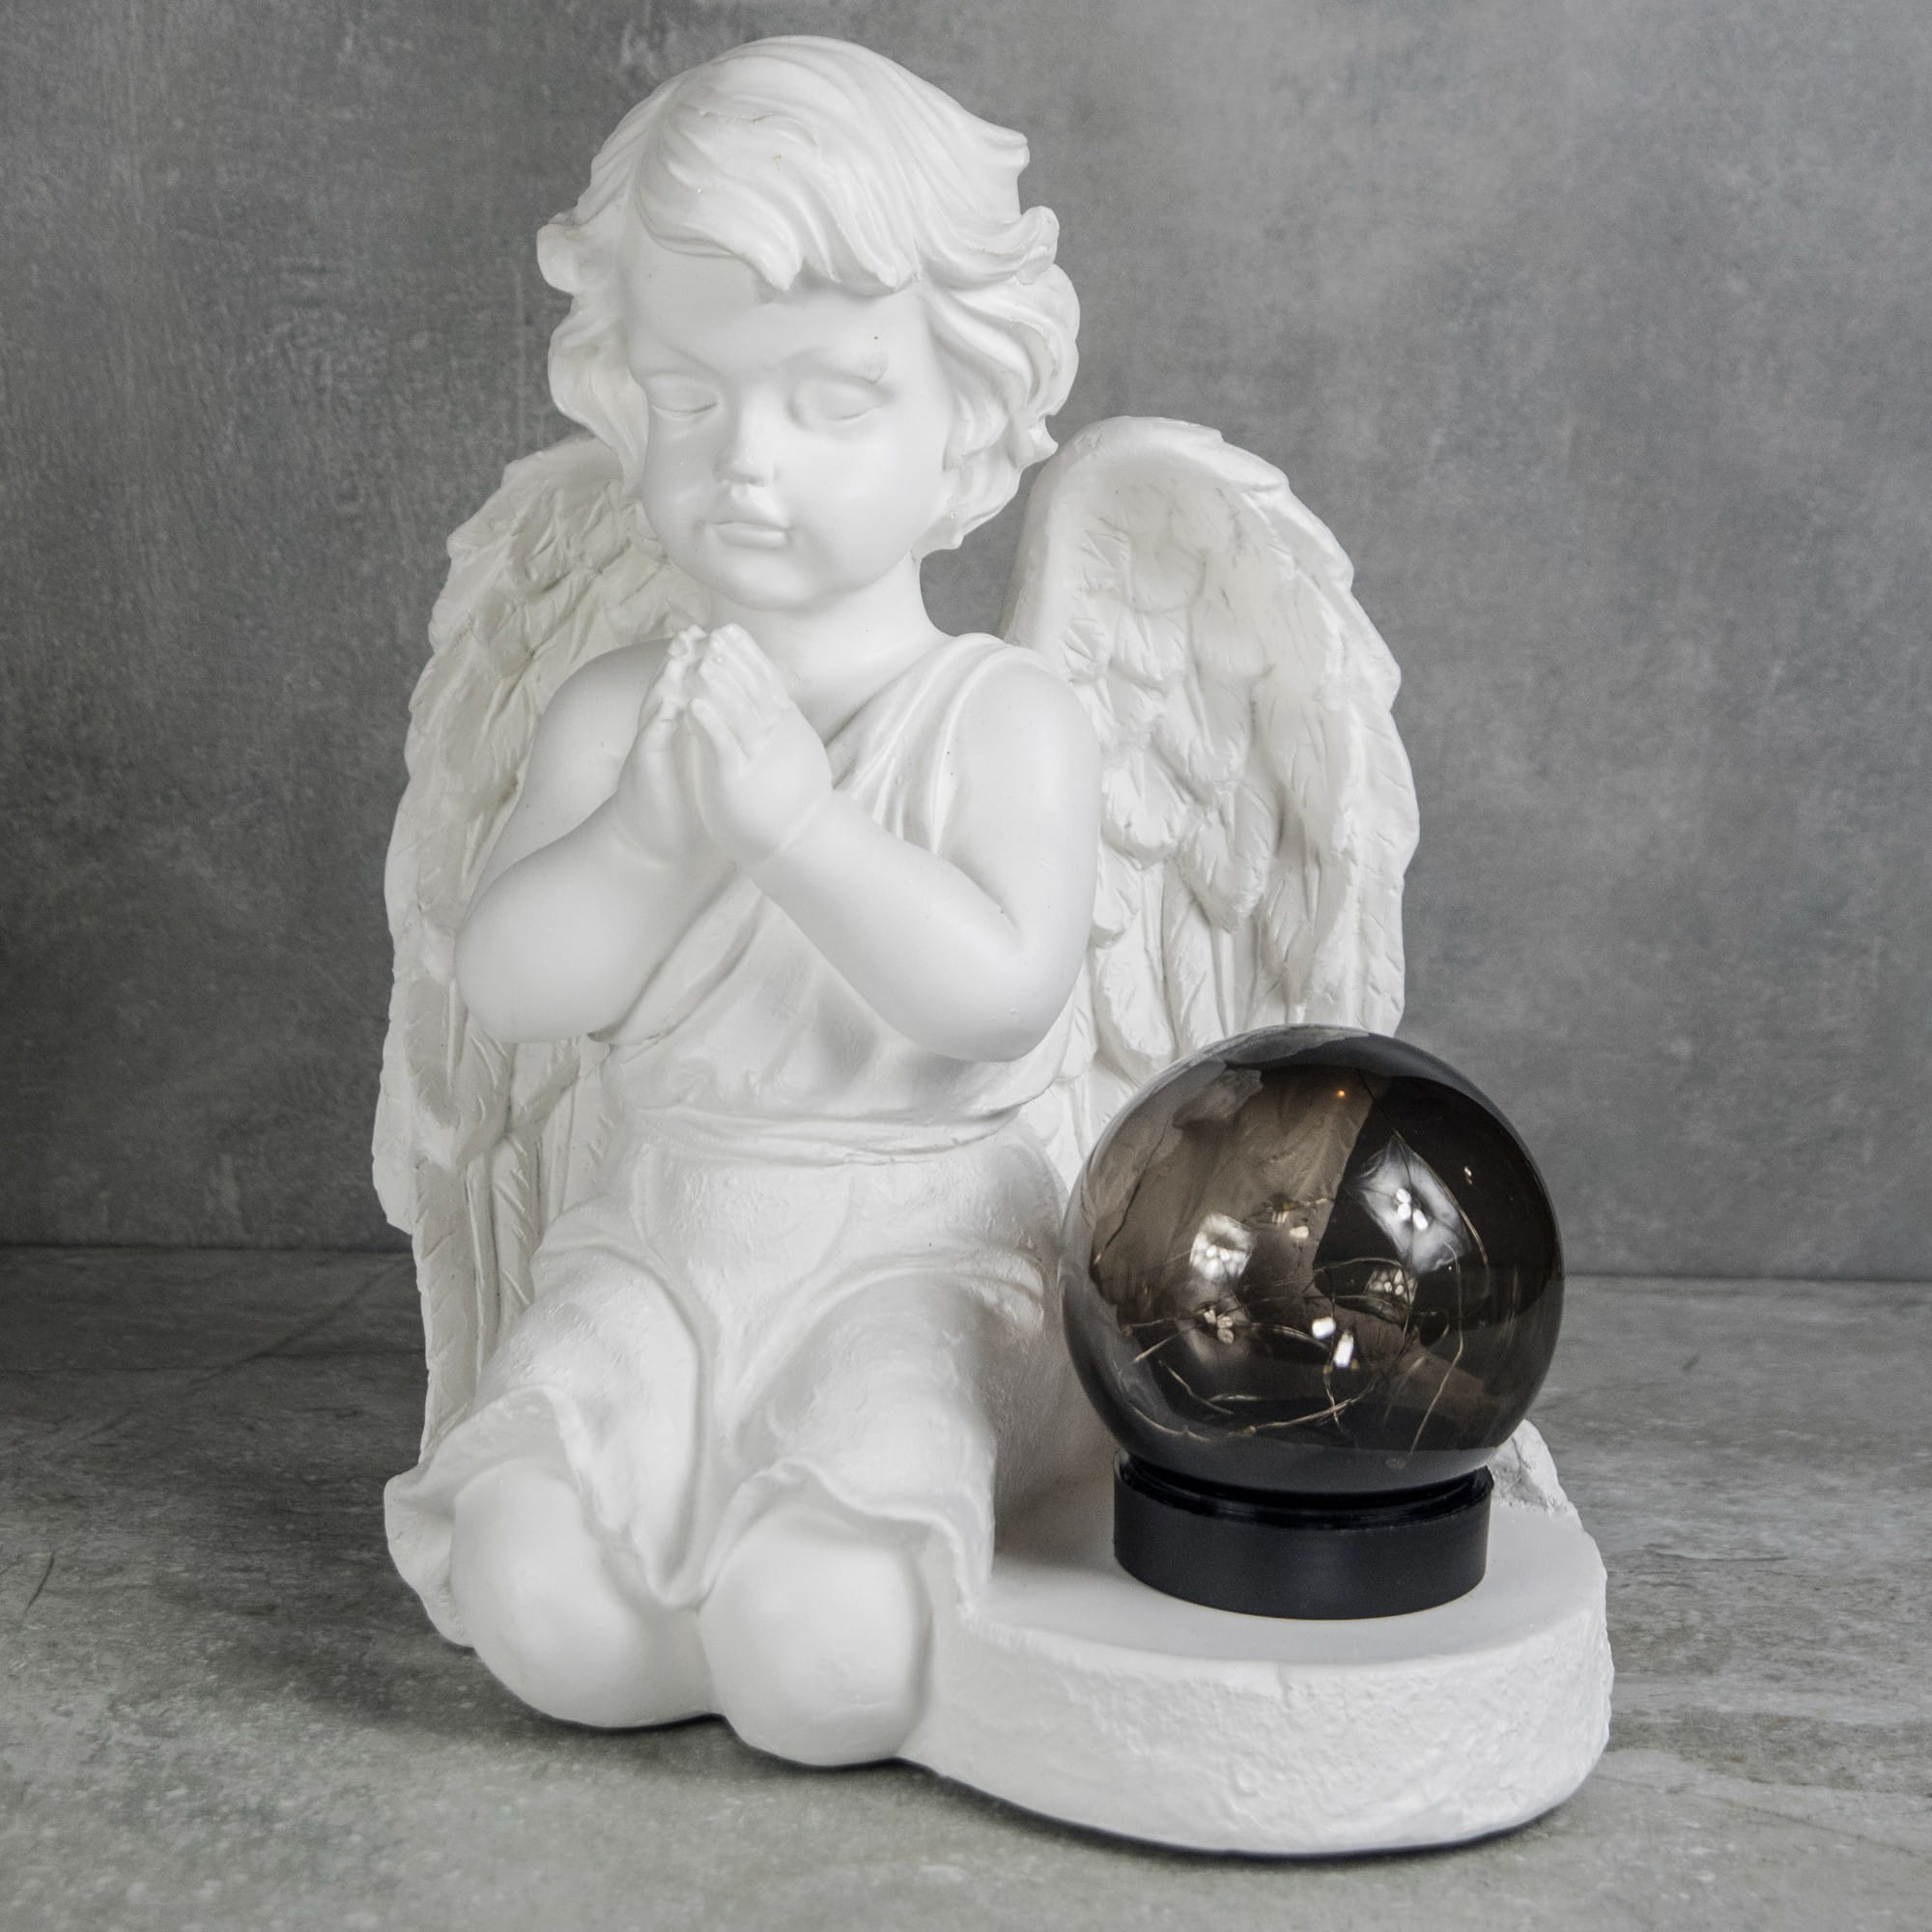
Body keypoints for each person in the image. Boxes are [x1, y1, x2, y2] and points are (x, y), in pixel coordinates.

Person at [384, 37, 1100, 1765]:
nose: (745, 460)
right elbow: (512, 985)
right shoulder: (619, 713)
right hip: (662, 1236)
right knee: (539, 1603)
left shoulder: (1002, 716)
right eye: (691, 402)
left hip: (920, 1262)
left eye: (830, 400)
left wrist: (794, 831)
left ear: (968, 423)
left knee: (817, 1653)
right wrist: (652, 838)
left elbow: (1000, 993)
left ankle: (835, 1569)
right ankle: (682, 1568)